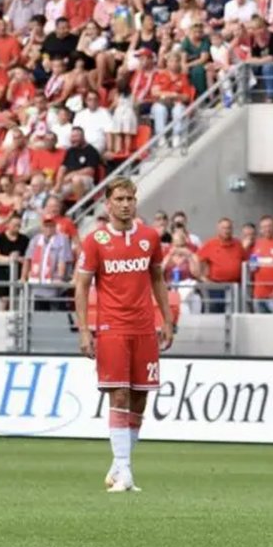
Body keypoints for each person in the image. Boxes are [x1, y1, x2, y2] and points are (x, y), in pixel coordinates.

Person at [73, 178, 174, 493]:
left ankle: (119, 466)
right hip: (112, 329)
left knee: (140, 398)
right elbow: (81, 286)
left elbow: (157, 279)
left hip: (144, 329)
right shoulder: (95, 240)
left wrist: (167, 320)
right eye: (119, 198)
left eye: (130, 198)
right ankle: (126, 472)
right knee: (119, 395)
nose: (126, 204)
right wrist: (84, 330)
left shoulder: (149, 237)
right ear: (108, 203)